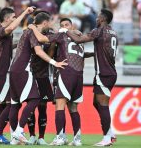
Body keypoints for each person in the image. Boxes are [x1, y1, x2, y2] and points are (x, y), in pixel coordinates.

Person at [28, 17, 93, 146]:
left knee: (60, 105)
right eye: (62, 24)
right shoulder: (79, 38)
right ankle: (77, 139)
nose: (64, 26)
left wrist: (33, 27)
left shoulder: (61, 36)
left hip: (65, 72)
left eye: (66, 24)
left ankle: (60, 137)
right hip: (79, 75)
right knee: (73, 107)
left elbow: (42, 40)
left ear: (72, 26)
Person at [9, 12, 67, 145]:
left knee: (16, 103)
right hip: (26, 70)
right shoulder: (32, 32)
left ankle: (16, 136)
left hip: (17, 70)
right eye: (50, 21)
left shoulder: (29, 31)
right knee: (34, 99)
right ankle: (20, 132)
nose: (52, 24)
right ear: (45, 22)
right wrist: (55, 63)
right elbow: (40, 49)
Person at [66, 9, 118, 146]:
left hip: (104, 73)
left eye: (98, 17)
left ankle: (107, 138)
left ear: (102, 19)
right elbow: (101, 50)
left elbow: (77, 40)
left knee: (103, 104)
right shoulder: (113, 32)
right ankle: (110, 133)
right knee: (96, 103)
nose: (96, 19)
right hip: (109, 72)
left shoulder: (98, 30)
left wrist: (64, 31)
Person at [0, 6, 35, 145]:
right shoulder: (1, 30)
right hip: (1, 73)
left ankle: (2, 134)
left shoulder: (4, 33)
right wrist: (25, 13)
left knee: (2, 105)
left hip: (0, 72)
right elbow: (9, 29)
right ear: (7, 18)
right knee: (11, 103)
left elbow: (10, 44)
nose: (15, 19)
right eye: (14, 17)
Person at [26, 11, 56, 146]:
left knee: (43, 107)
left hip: (43, 75)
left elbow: (48, 44)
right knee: (31, 106)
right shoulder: (30, 32)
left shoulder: (49, 34)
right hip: (31, 74)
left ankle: (41, 137)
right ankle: (32, 135)